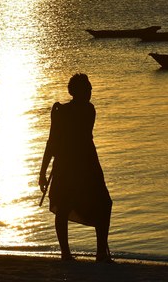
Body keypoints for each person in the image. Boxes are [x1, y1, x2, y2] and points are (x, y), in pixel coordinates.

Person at [39, 73, 113, 262]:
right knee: (64, 206)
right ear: (76, 91)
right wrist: (42, 171)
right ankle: (67, 253)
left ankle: (100, 252)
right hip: (70, 165)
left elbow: (65, 138)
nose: (90, 91)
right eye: (87, 88)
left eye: (90, 88)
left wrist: (57, 113)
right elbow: (52, 142)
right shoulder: (63, 112)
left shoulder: (88, 110)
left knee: (103, 203)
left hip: (86, 164)